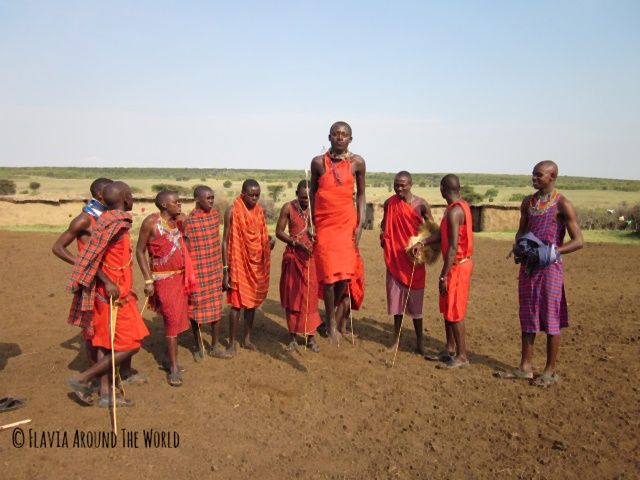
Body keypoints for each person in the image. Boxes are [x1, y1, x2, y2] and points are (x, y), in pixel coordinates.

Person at [499, 161, 583, 386]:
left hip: (550, 269)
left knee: (550, 317)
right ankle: (525, 367)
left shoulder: (562, 204)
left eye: (539, 175)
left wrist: (551, 251)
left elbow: (578, 241)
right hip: (529, 267)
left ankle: (549, 371)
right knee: (527, 315)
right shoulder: (528, 202)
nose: (534, 178)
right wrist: (519, 248)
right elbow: (521, 231)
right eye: (533, 175)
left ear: (552, 176)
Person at [67, 181, 149, 406]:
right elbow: (89, 257)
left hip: (121, 293)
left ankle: (104, 393)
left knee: (108, 343)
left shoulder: (112, 221)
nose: (133, 197)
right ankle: (82, 378)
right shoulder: (112, 223)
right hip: (111, 295)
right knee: (131, 344)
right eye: (130, 194)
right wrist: (107, 281)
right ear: (125, 197)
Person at [310, 121, 366, 345]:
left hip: (346, 224)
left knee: (344, 274)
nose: (340, 137)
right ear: (330, 137)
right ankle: (331, 324)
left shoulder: (357, 163)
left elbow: (361, 195)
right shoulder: (317, 163)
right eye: (336, 134)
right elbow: (313, 193)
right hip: (324, 225)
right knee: (329, 276)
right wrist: (313, 222)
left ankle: (332, 319)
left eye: (344, 135)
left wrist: (361, 223)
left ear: (350, 139)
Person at [136, 190, 196, 387]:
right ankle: (173, 369)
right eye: (176, 202)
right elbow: (140, 251)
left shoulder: (177, 223)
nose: (179, 205)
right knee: (171, 321)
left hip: (180, 278)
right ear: (164, 205)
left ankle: (169, 360)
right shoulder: (151, 223)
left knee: (177, 320)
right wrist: (148, 280)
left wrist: (183, 221)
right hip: (163, 280)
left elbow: (188, 237)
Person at [52, 177, 113, 368]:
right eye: (110, 191)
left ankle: (108, 373)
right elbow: (58, 247)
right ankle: (94, 375)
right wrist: (82, 264)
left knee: (109, 325)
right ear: (100, 194)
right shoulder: (85, 219)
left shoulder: (106, 218)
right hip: (92, 280)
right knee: (92, 328)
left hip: (109, 277)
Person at [414, 174, 473, 368]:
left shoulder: (455, 212)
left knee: (455, 311)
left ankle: (462, 355)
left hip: (457, 266)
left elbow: (453, 247)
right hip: (453, 265)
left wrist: (443, 275)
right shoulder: (457, 208)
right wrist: (423, 242)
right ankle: (449, 349)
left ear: (442, 189)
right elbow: (441, 235)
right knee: (447, 308)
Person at [381, 171, 433, 355]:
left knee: (415, 304)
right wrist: (384, 237)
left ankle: (420, 342)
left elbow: (432, 231)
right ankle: (396, 341)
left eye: (403, 185)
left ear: (411, 184)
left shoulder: (421, 205)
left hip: (414, 261)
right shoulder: (390, 203)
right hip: (395, 259)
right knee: (397, 305)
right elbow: (384, 225)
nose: (399, 188)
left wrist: (420, 243)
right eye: (396, 184)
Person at [222, 179, 275, 357]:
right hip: (238, 263)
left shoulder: (260, 212)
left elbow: (261, 234)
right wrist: (225, 269)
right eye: (251, 195)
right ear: (243, 194)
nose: (254, 198)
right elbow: (225, 241)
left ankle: (246, 339)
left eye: (257, 195)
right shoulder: (233, 211)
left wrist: (269, 241)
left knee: (251, 304)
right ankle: (231, 343)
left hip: (255, 265)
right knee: (236, 305)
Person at [276, 180, 321, 352]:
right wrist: (295, 243)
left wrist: (315, 232)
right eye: (302, 197)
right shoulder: (288, 208)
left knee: (310, 298)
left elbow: (323, 230)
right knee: (293, 298)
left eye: (309, 197)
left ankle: (310, 337)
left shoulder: (316, 209)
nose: (305, 201)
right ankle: (293, 336)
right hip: (294, 258)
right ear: (296, 193)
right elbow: (279, 232)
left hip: (310, 259)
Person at [183, 185, 226, 360]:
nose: (211, 201)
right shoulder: (189, 221)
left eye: (212, 197)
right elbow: (185, 247)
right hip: (197, 272)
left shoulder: (215, 216)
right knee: (195, 309)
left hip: (214, 269)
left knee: (216, 308)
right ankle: (199, 345)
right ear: (197, 200)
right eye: (207, 198)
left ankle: (215, 345)